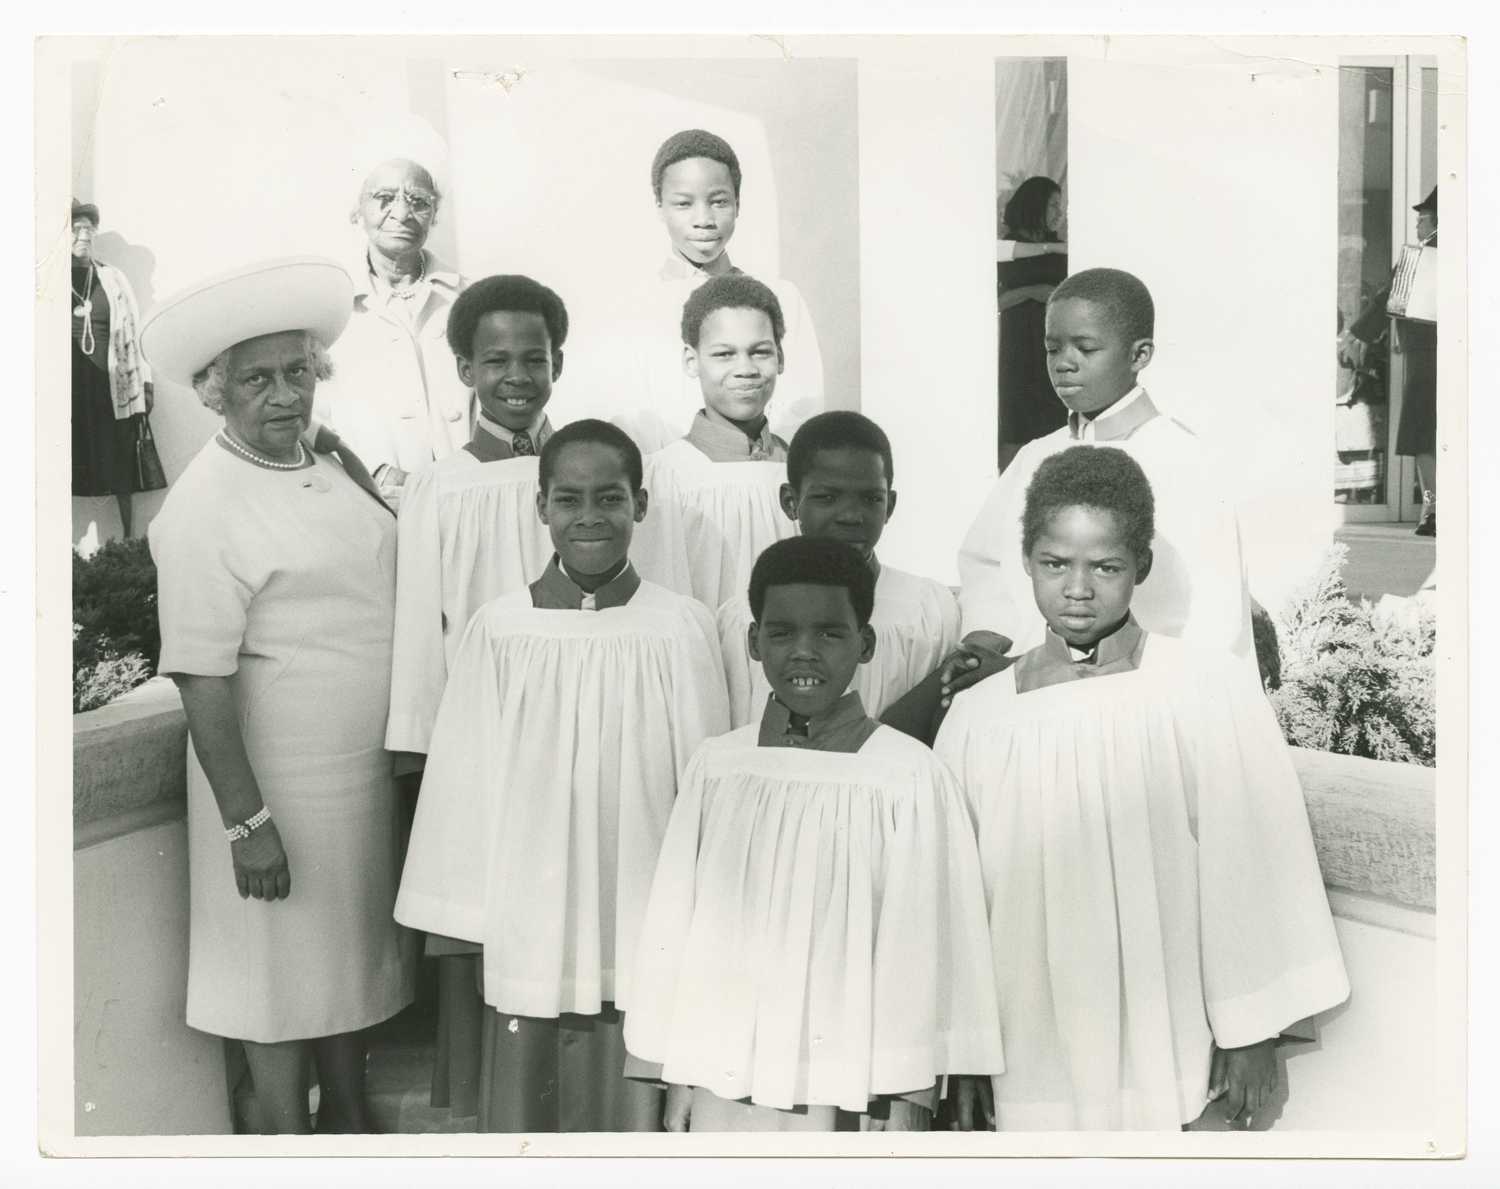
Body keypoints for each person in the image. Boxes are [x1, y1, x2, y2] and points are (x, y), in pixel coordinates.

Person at [935, 447, 1348, 1131]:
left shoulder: (1201, 689)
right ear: (1026, 560)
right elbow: (952, 896)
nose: (1077, 588)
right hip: (1023, 1030)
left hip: (1163, 1015)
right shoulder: (981, 716)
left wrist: (1251, 1029)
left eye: (1106, 567)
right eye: (1054, 564)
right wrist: (965, 1051)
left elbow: (1248, 856)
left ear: (1142, 567)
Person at [394, 420, 731, 1132]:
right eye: (569, 498)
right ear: (540, 507)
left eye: (610, 498)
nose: (589, 517)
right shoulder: (500, 630)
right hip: (530, 909)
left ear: (641, 505)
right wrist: (468, 932)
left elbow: (708, 790)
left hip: (642, 908)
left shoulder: (680, 627)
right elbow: (464, 792)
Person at [142, 257, 414, 1134]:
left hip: (355, 781)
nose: (284, 393)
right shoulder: (200, 506)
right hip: (274, 790)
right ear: (216, 391)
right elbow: (199, 675)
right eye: (257, 378)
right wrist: (247, 823)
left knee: (339, 971)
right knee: (273, 981)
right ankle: (285, 1147)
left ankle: (345, 1114)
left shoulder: (326, 463)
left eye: (298, 371)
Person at [624, 538, 1004, 1132]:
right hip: (726, 1067)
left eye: (830, 634)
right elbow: (678, 926)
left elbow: (930, 944)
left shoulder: (908, 774)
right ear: (753, 642)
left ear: (866, 643)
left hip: (859, 1078)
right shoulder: (718, 767)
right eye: (781, 633)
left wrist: (909, 1095)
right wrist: (678, 1074)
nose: (804, 653)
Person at [888, 267, 1251, 743]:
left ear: (1139, 354)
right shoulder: (1038, 454)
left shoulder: (1183, 462)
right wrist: (985, 642)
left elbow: (1207, 617)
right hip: (1014, 685)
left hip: (1130, 702)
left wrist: (1041, 667)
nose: (1064, 363)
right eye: (1053, 348)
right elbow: (986, 563)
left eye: (1086, 348)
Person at [383, 273, 569, 1118]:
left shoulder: (590, 471)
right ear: (463, 368)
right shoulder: (444, 486)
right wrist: (422, 754)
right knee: (488, 914)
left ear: (557, 361)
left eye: (534, 356)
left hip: (576, 727)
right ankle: (496, 1106)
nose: (518, 376)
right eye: (496, 359)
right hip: (483, 738)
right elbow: (422, 629)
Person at [716, 411, 961, 725]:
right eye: (827, 497)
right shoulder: (743, 617)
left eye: (871, 498)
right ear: (791, 502)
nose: (851, 516)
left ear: (890, 506)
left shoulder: (929, 609)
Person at [610, 129, 825, 453]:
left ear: (738, 203)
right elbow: (631, 417)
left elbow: (803, 406)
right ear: (659, 206)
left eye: (719, 202)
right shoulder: (638, 307)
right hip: (670, 484)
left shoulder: (781, 296)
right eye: (683, 204)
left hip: (765, 473)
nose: (704, 220)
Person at [316, 152, 471, 509]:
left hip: (468, 497)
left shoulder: (469, 298)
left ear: (435, 214)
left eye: (418, 201)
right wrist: (374, 471)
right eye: (384, 199)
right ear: (357, 210)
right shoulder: (329, 307)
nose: (401, 213)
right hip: (374, 500)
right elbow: (312, 418)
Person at [634, 273, 799, 609]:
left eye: (760, 352)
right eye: (724, 354)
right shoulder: (663, 478)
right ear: (691, 361)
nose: (746, 369)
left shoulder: (801, 469)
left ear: (780, 357)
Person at [1347, 186, 1438, 536]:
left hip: (1426, 355)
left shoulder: (1427, 249)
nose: (1417, 223)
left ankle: (1434, 509)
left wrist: (1358, 335)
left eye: (1421, 216)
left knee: (1422, 434)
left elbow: (1392, 296)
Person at [70, 199, 161, 537]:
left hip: (114, 385)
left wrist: (146, 383)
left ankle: (129, 537)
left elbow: (135, 331)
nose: (83, 234)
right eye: (76, 228)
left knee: (122, 460)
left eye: (88, 228)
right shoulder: (49, 279)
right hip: (72, 385)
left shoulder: (112, 277)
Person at [997, 177, 1069, 469]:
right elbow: (993, 302)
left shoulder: (1062, 249)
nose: (1058, 212)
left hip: (1053, 345)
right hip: (1015, 349)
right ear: (1035, 204)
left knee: (1053, 425)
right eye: (1053, 204)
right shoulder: (1007, 250)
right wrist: (1032, 292)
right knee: (1016, 424)